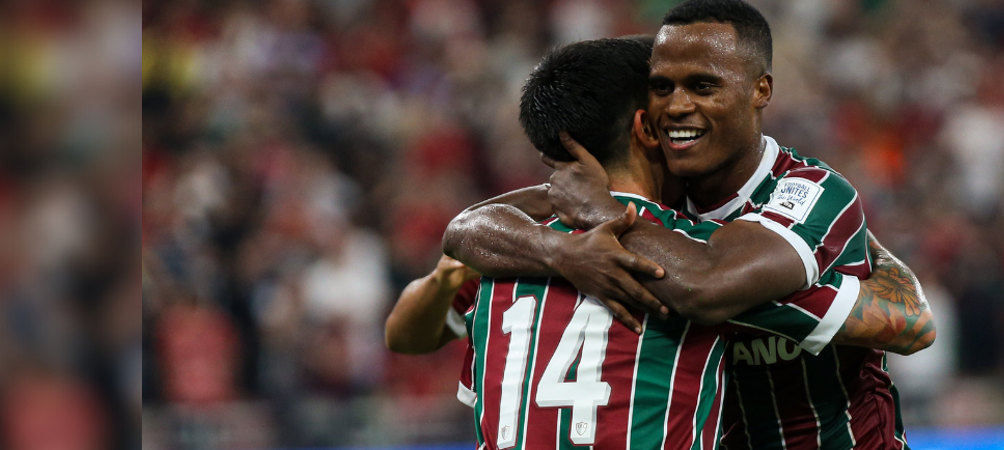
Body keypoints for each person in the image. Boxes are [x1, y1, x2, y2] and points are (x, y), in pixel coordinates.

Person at [390, 36, 927, 449]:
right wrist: (862, 244)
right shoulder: (694, 266)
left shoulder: (508, 257)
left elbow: (410, 323)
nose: (681, 108)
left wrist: (474, 260)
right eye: (666, 93)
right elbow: (909, 323)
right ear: (647, 127)